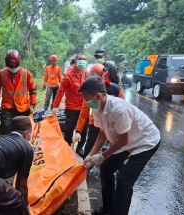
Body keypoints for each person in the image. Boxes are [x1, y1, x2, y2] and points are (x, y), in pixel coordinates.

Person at [80, 78, 160, 215]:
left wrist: (103, 155)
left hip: (145, 142)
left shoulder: (119, 110)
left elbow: (123, 140)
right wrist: (90, 155)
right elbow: (102, 134)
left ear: (98, 96)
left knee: (124, 180)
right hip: (128, 141)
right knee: (106, 168)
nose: (86, 102)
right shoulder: (97, 108)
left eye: (87, 99)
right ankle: (107, 209)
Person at [73, 64, 125, 158]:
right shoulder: (89, 90)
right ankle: (86, 168)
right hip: (95, 123)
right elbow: (84, 112)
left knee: (111, 153)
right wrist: (78, 131)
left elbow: (123, 108)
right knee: (89, 150)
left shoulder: (115, 89)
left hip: (112, 125)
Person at [0, 50, 37, 134]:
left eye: (14, 63)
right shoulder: (1, 74)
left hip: (23, 108)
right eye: (11, 63)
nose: (13, 65)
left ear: (18, 61)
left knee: (23, 131)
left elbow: (33, 91)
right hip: (7, 108)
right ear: (7, 62)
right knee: (6, 130)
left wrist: (32, 105)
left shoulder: (26, 74)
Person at [52, 54, 87, 150]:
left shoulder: (85, 73)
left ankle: (80, 148)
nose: (83, 61)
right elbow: (61, 91)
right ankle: (66, 148)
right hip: (71, 108)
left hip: (83, 107)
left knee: (83, 130)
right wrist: (55, 106)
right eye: (80, 59)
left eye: (84, 59)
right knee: (69, 130)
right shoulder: (68, 75)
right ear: (76, 61)